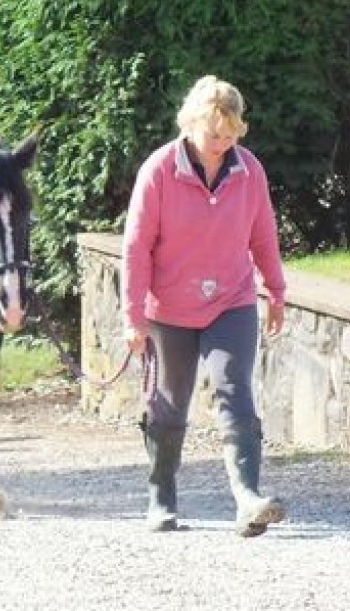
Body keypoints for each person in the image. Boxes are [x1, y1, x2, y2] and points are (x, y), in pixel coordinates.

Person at [122, 75, 287, 537]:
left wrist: (275, 290)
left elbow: (263, 236)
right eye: (214, 134)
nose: (222, 144)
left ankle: (248, 499)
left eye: (231, 135)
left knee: (235, 390)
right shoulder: (158, 170)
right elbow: (136, 248)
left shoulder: (249, 171)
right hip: (169, 309)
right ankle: (161, 498)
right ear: (191, 123)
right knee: (168, 406)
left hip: (231, 300)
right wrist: (133, 317)